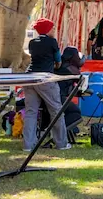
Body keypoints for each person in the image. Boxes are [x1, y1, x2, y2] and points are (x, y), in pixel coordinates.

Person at [23, 18, 70, 151]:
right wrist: (56, 64)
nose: (54, 30)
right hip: (45, 78)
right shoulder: (52, 42)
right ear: (47, 29)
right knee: (56, 110)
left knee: (31, 112)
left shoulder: (32, 42)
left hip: (29, 77)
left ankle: (28, 145)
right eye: (53, 28)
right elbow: (58, 60)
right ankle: (61, 143)